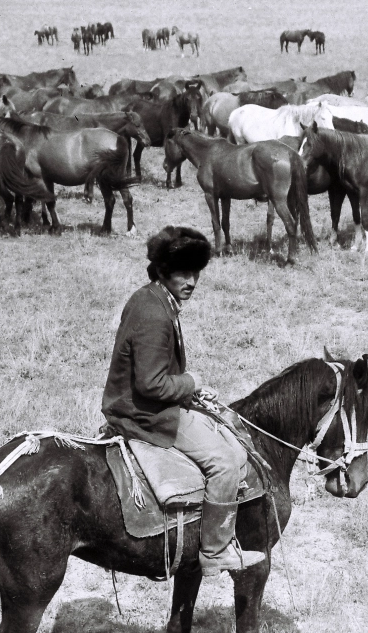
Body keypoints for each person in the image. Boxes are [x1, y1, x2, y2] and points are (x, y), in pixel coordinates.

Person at [102, 226, 265, 576]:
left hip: (155, 403)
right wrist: (191, 382)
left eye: (196, 273)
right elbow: (150, 384)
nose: (191, 281)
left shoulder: (154, 299)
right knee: (225, 461)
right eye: (183, 273)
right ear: (163, 271)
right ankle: (214, 551)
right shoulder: (155, 313)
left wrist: (190, 392)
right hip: (144, 414)